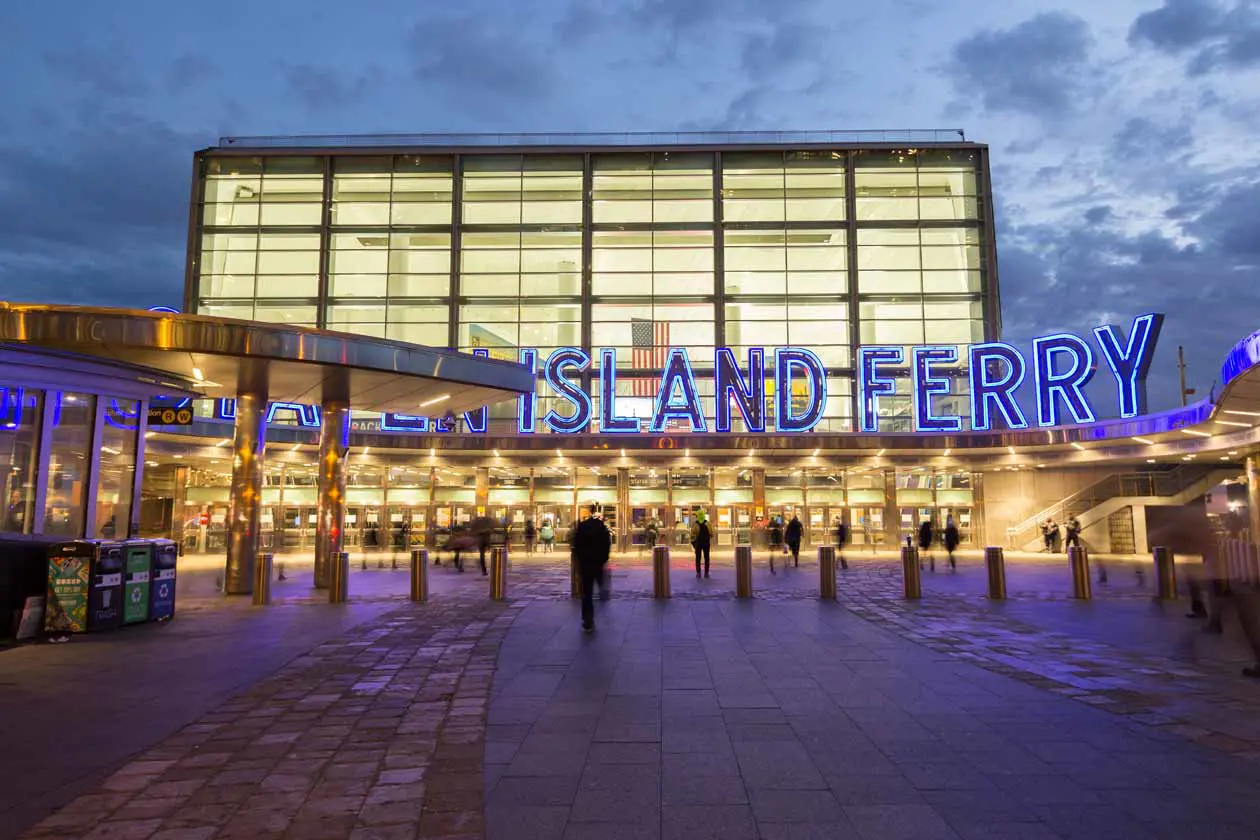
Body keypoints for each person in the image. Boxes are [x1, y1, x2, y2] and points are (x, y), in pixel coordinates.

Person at [571, 504, 611, 632]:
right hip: (597, 563)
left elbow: (576, 545)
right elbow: (607, 545)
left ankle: (588, 618)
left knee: (586, 592)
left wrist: (579, 560)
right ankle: (602, 590)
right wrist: (603, 560)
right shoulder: (601, 528)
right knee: (599, 581)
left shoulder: (582, 527)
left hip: (585, 564)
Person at [690, 510, 712, 579]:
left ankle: (698, 573)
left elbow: (692, 535)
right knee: (707, 558)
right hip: (706, 543)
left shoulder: (695, 524)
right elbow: (712, 533)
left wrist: (694, 543)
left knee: (698, 558)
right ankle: (706, 573)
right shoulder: (708, 523)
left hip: (699, 543)